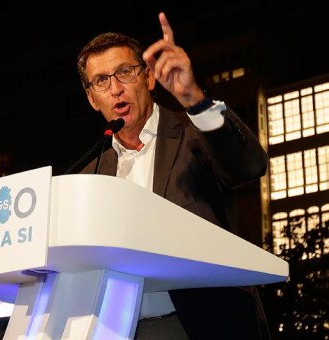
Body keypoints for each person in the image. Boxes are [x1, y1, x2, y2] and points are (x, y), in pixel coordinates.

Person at [76, 12, 271, 340]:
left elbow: (249, 167)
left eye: (125, 72)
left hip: (205, 324)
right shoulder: (90, 175)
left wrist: (195, 99)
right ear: (92, 98)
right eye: (102, 80)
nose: (116, 88)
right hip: (119, 330)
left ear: (149, 78)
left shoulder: (195, 135)